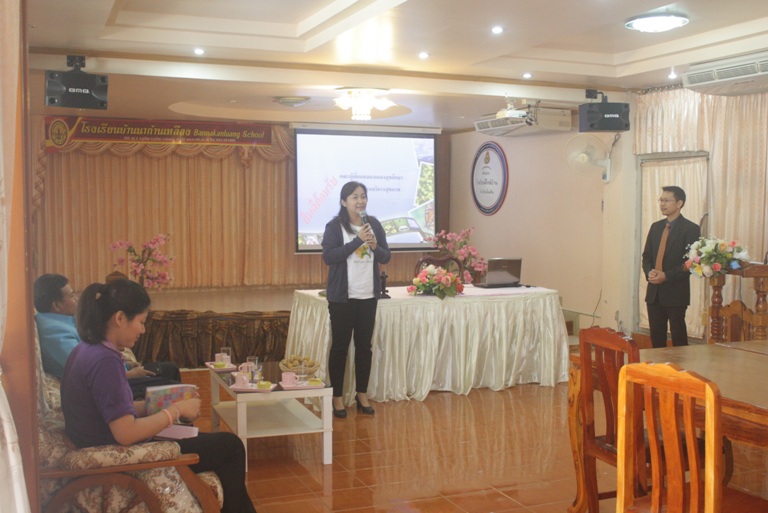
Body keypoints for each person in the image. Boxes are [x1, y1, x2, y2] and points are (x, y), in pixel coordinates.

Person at [60, 279, 257, 513]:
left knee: (218, 446)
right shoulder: (105, 361)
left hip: (100, 441)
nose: (143, 330)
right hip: (120, 452)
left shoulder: (86, 349)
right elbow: (126, 433)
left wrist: (163, 402)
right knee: (231, 447)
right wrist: (175, 411)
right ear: (120, 318)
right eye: (141, 322)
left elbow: (114, 409)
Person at [34, 273, 181, 399]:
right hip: (101, 388)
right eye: (72, 296)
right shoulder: (52, 331)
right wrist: (129, 374)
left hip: (111, 377)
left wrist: (126, 365)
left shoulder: (64, 321)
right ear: (56, 305)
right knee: (176, 391)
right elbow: (88, 371)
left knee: (171, 370)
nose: (76, 299)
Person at [322, 181, 391, 418]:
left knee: (364, 347)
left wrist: (375, 246)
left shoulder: (374, 225)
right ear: (344, 202)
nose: (360, 201)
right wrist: (357, 241)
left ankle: (362, 394)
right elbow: (329, 257)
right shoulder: (334, 227)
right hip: (342, 298)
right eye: (354, 197)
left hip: (368, 296)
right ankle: (337, 397)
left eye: (363, 196)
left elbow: (386, 256)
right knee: (340, 347)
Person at [642, 186, 700, 348]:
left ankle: (680, 365)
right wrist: (649, 272)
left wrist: (666, 276)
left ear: (679, 203)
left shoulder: (691, 229)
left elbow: (691, 263)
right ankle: (657, 364)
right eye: (661, 200)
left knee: (678, 338)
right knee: (656, 338)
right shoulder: (656, 227)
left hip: (676, 291)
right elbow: (647, 256)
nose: (662, 204)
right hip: (654, 292)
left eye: (667, 200)